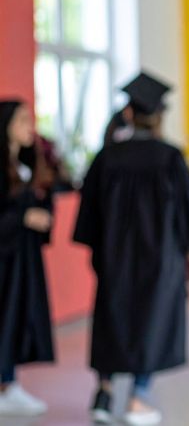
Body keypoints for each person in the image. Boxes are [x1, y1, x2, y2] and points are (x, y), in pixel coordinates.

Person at [73, 72, 189, 426]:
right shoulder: (170, 158)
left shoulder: (106, 157)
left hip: (114, 257)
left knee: (112, 318)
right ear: (159, 116)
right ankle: (137, 397)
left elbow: (88, 215)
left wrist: (102, 252)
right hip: (160, 258)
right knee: (153, 319)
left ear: (129, 113)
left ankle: (102, 393)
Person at [0, 101, 54, 417]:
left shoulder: (23, 163)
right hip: (4, 260)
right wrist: (23, 217)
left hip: (21, 259)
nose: (28, 127)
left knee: (16, 317)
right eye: (21, 120)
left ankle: (9, 383)